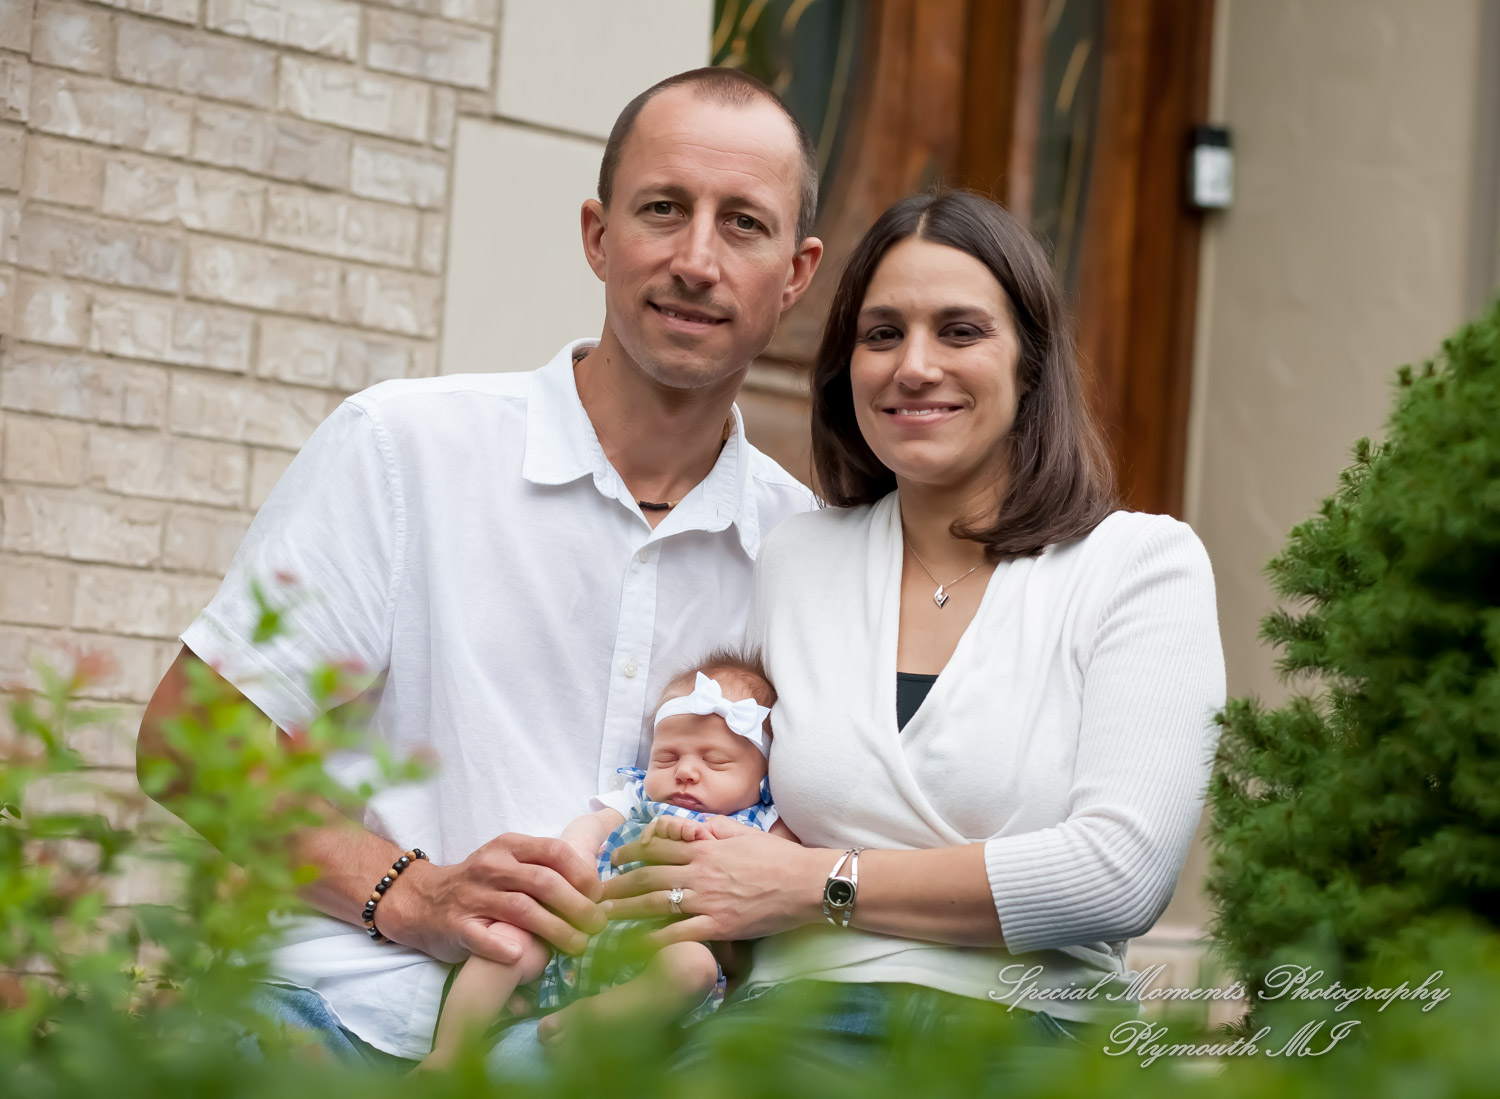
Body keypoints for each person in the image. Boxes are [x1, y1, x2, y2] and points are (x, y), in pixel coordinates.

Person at [134, 67, 824, 1068]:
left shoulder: (805, 548)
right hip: (344, 1016)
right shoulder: (404, 446)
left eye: (744, 224)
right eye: (663, 210)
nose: (697, 259)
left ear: (797, 273)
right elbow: (187, 737)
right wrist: (411, 892)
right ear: (597, 234)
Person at [592, 189, 1227, 1073]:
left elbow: (1116, 874)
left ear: (1031, 362)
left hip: (1031, 1030)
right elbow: (730, 809)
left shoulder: (1139, 566)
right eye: (882, 334)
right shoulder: (797, 558)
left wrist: (820, 883)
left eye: (960, 331)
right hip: (785, 1027)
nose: (914, 366)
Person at [420, 652, 790, 1070]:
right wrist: (577, 851)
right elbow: (592, 825)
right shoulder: (640, 799)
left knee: (693, 967)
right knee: (505, 940)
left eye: (715, 760)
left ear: (764, 779)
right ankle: (447, 1052)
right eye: (667, 757)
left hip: (662, 951)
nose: (685, 771)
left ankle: (595, 1019)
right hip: (577, 932)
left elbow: (785, 874)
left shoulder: (763, 822)